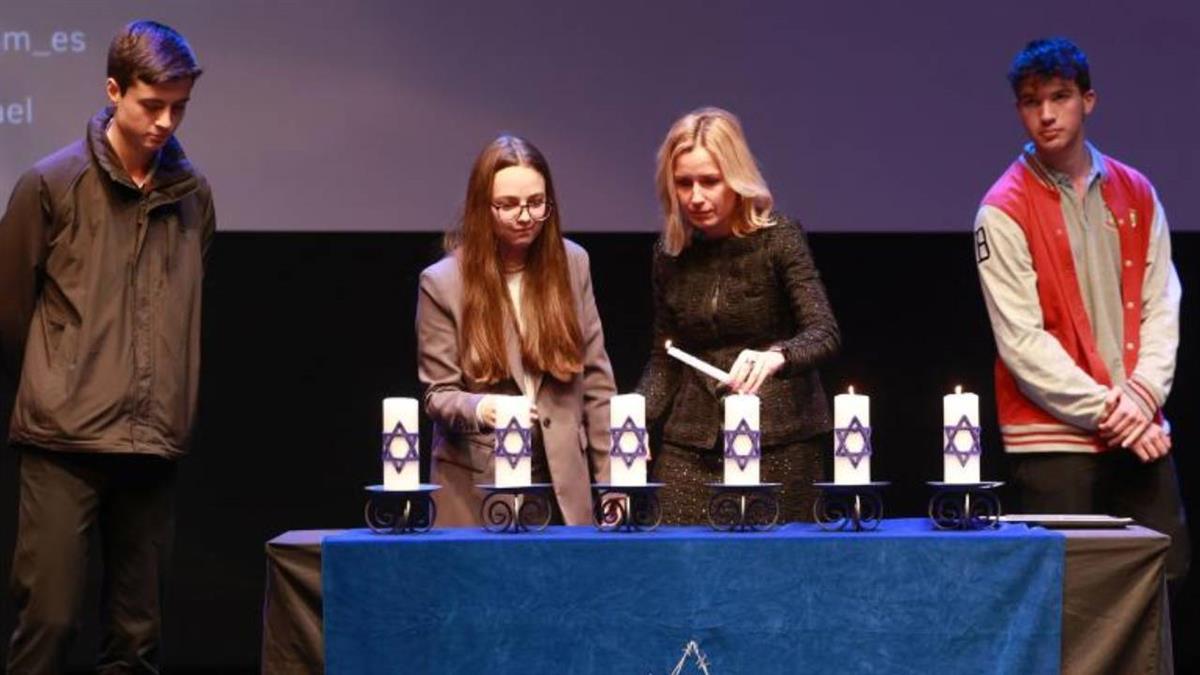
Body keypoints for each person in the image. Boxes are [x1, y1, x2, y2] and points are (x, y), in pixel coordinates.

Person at [0, 20, 213, 673]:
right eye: (152, 105)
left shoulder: (192, 196)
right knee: (49, 621)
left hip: (151, 441)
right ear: (114, 90)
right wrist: (62, 381)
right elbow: (12, 311)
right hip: (64, 440)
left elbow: (182, 306)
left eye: (179, 107)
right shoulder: (51, 184)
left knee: (136, 638)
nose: (165, 122)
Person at [975, 38, 1189, 585]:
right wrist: (1115, 413)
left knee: (1162, 583)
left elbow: (1162, 304)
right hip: (1056, 440)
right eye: (1031, 101)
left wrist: (1141, 398)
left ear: (1087, 101)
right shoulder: (1002, 208)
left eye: (1060, 97)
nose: (1046, 114)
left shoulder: (1136, 191)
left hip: (1139, 422)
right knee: (1071, 598)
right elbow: (1022, 341)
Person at [637, 107, 840, 524]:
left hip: (779, 441)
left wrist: (777, 356)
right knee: (678, 558)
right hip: (691, 446)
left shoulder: (778, 238)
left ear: (736, 177)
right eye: (684, 183)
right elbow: (665, 358)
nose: (696, 197)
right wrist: (635, 419)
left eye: (710, 181)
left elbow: (823, 331)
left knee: (778, 561)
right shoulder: (669, 254)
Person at [416, 135, 616, 527]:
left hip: (559, 484)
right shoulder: (443, 282)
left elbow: (596, 384)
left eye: (536, 203)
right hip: (477, 490)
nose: (525, 217)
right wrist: (484, 407)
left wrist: (612, 485)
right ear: (481, 207)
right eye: (507, 205)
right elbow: (438, 395)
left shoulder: (573, 264)